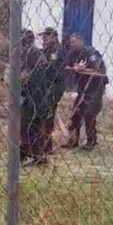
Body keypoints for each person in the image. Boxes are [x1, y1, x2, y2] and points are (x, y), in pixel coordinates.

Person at [62, 34, 109, 150]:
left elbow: (99, 70)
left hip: (95, 87)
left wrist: (82, 69)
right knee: (75, 113)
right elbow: (66, 66)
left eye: (74, 42)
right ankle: (73, 140)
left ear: (81, 42)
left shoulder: (91, 53)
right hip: (82, 88)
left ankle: (91, 141)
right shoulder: (72, 54)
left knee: (89, 113)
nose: (72, 45)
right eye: (71, 43)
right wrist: (74, 68)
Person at [19, 29, 52, 166]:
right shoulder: (29, 53)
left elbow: (29, 76)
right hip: (30, 96)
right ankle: (25, 153)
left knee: (33, 126)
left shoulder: (34, 54)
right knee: (25, 126)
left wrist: (22, 78)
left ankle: (37, 156)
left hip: (36, 96)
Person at [40, 27, 66, 155]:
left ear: (53, 36)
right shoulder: (46, 49)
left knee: (48, 113)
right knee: (45, 113)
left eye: (46, 36)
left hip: (55, 85)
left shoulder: (57, 49)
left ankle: (47, 146)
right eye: (43, 36)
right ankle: (45, 144)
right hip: (47, 85)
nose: (43, 38)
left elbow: (51, 66)